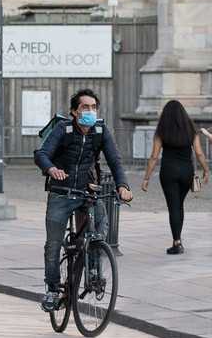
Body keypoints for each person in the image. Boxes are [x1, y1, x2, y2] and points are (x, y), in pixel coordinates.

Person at [34, 88, 132, 313]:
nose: (91, 111)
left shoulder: (101, 130)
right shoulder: (63, 128)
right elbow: (41, 154)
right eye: (85, 107)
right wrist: (52, 169)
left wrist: (123, 186)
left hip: (88, 191)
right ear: (75, 112)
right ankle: (51, 289)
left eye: (94, 107)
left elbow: (114, 159)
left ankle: (93, 271)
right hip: (61, 192)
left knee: (99, 229)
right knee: (53, 244)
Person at [142, 100, 208, 254]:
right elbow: (199, 152)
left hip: (168, 172)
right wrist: (206, 170)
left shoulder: (161, 131)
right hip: (186, 172)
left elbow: (154, 156)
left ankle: (177, 242)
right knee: (179, 205)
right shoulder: (190, 130)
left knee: (173, 206)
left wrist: (147, 177)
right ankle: (178, 239)